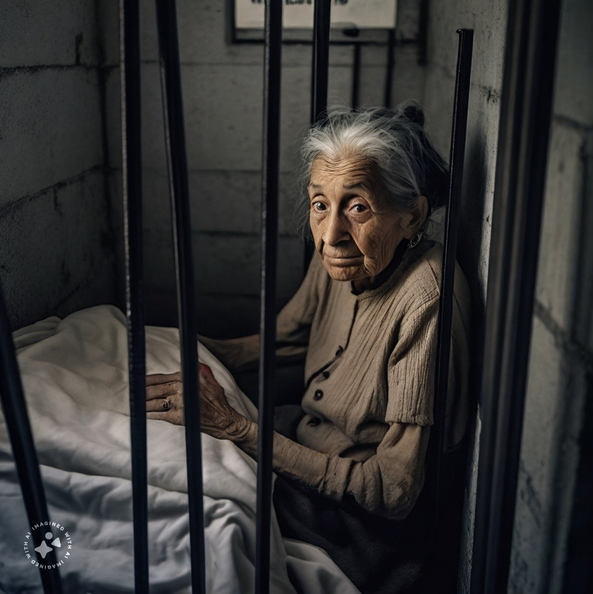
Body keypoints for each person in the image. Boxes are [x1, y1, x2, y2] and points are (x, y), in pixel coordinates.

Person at [145, 102, 471, 593]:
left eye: (358, 206)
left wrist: (237, 428)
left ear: (413, 215)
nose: (331, 234)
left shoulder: (427, 302)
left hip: (354, 524)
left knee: (189, 530)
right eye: (321, 204)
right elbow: (282, 338)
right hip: (296, 441)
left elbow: (393, 492)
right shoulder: (347, 258)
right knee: (159, 462)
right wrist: (166, 344)